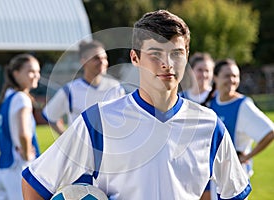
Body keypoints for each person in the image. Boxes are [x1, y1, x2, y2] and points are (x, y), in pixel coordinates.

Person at [22, 10, 251, 199]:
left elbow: (235, 192)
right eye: (155, 54)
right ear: (135, 58)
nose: (167, 64)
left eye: (176, 53)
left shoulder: (209, 125)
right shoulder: (99, 121)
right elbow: (34, 184)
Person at [203, 58, 274, 178]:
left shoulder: (243, 105)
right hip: (213, 175)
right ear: (215, 78)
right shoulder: (210, 103)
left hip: (236, 177)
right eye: (227, 76)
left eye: (235, 76)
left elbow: (270, 132)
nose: (232, 80)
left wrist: (246, 157)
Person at [42, 40, 125, 135]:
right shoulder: (70, 90)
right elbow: (49, 116)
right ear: (83, 61)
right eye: (96, 58)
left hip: (109, 148)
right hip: (81, 149)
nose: (102, 62)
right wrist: (68, 139)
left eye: (104, 58)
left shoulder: (116, 88)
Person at [0, 54, 41, 200]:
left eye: (38, 71)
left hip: (3, 171)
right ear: (15, 73)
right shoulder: (22, 98)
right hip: (19, 169)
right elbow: (24, 133)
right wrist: (27, 155)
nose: (36, 75)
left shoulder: (7, 97)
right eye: (31, 71)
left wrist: (5, 150)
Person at [179, 52, 215, 200]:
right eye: (200, 70)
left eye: (208, 70)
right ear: (191, 71)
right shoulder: (179, 99)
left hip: (210, 165)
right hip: (184, 165)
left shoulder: (218, 97)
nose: (204, 74)